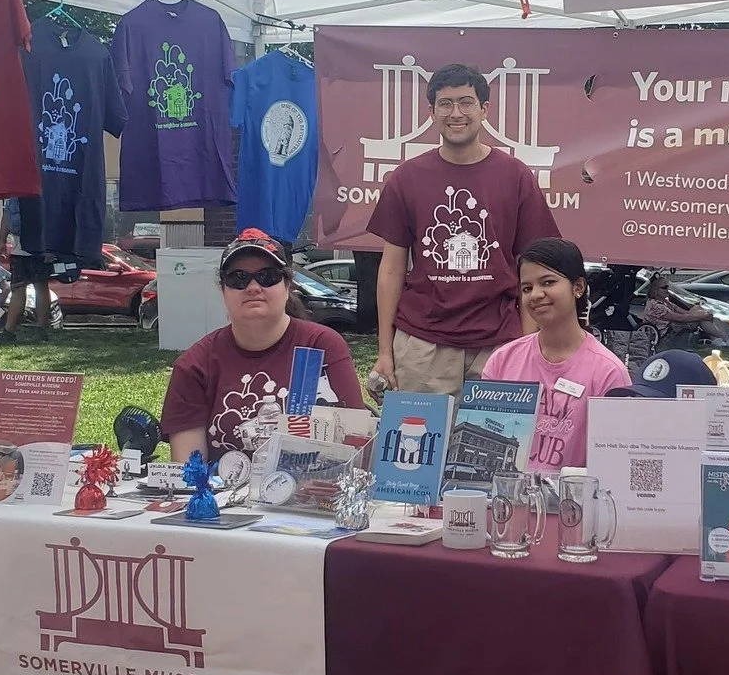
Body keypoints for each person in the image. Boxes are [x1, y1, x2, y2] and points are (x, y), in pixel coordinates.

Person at [367, 63, 559, 396]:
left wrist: (527, 345)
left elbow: (535, 269)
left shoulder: (515, 176)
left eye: (466, 102)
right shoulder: (406, 178)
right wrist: (385, 352)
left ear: (485, 109)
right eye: (445, 103)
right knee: (416, 432)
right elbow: (391, 269)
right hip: (422, 345)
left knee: (498, 431)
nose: (456, 113)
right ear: (431, 113)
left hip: (499, 342)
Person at [162, 229, 365, 460]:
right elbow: (188, 467)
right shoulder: (195, 365)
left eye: (267, 276)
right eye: (238, 278)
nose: (253, 287)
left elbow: (354, 444)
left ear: (287, 287)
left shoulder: (322, 346)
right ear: (223, 291)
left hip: (315, 481)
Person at [482, 239, 630, 472]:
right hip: (507, 492)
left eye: (548, 282)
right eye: (526, 288)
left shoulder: (609, 372)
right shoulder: (502, 361)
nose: (535, 295)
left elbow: (614, 462)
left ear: (578, 287)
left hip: (573, 494)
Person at [0, 196, 53, 342]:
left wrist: (50, 247)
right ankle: (10, 330)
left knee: (39, 287)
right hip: (21, 250)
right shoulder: (14, 198)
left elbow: (51, 220)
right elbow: (6, 216)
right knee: (19, 288)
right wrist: (2, 242)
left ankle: (40, 328)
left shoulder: (42, 195)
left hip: (38, 250)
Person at [641, 273, 726, 344]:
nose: (667, 289)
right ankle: (723, 338)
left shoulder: (664, 302)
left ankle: (719, 341)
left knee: (697, 308)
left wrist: (702, 314)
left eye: (667, 287)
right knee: (701, 319)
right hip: (665, 336)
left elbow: (685, 313)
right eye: (664, 287)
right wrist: (702, 316)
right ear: (655, 290)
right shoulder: (655, 306)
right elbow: (681, 318)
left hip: (673, 329)